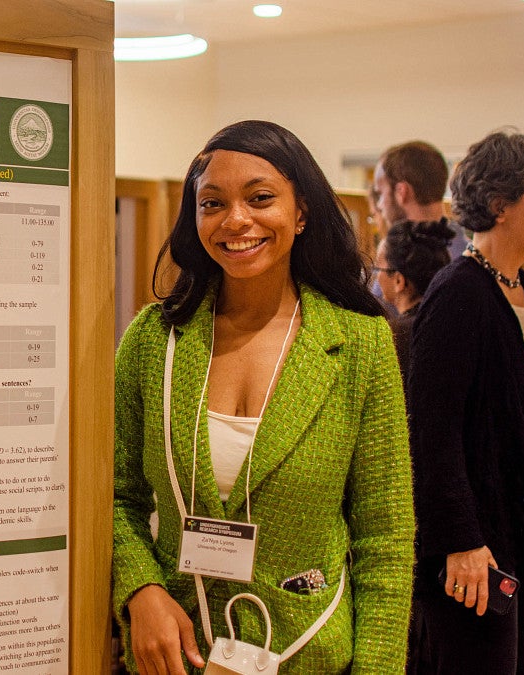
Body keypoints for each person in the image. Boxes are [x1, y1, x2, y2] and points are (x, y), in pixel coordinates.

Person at [113, 120, 414, 674]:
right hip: (179, 652)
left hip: (309, 653)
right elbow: (116, 497)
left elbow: (386, 541)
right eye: (212, 203)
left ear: (301, 212)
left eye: (260, 198)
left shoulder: (359, 344)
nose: (236, 220)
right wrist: (141, 589)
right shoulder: (155, 341)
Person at [405, 129, 524, 675]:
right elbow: (432, 433)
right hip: (479, 550)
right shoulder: (458, 292)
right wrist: (460, 538)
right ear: (500, 205)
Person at [373, 219, 455, 377]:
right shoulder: (451, 322)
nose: (377, 278)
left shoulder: (395, 335)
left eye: (378, 269)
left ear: (398, 280)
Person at [372, 141, 466, 259]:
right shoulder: (467, 253)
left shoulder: (402, 261)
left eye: (380, 193)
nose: (379, 205)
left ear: (401, 192)